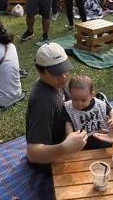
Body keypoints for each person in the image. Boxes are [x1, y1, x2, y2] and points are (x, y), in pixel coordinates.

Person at [26, 43, 87, 174]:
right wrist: (64, 147)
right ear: (40, 70)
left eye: (65, 69)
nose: (63, 76)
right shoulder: (44, 102)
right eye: (56, 72)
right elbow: (32, 153)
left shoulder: (55, 83)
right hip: (49, 161)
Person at [62, 75, 113, 150]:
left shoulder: (100, 104)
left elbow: (112, 112)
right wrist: (70, 136)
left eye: (83, 100)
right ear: (70, 95)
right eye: (75, 100)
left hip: (103, 137)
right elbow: (68, 123)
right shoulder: (69, 107)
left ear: (92, 95)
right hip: (83, 141)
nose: (79, 103)